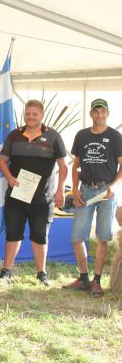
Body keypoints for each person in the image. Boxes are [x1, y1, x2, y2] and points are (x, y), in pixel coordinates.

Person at [0, 99, 68, 286]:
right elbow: (2, 161)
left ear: (41, 115)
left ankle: (41, 273)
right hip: (17, 195)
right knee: (13, 233)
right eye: (27, 113)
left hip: (42, 198)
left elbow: (63, 166)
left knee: (40, 236)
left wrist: (60, 190)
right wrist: (9, 178)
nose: (30, 117)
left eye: (34, 114)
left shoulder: (53, 136)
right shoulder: (14, 135)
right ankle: (6, 271)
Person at [63, 98, 122, 297]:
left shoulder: (115, 136)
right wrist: (75, 189)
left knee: (103, 237)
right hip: (85, 190)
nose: (99, 115)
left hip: (106, 192)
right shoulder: (82, 135)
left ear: (107, 114)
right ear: (91, 114)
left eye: (102, 111)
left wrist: (113, 186)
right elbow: (75, 165)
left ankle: (97, 281)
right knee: (77, 236)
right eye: (96, 111)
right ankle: (83, 278)